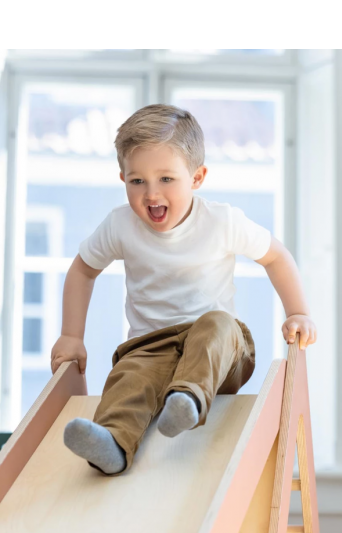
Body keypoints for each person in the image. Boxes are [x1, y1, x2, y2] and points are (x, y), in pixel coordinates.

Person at [50, 104, 317, 475]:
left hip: (219, 353)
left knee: (217, 323)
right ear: (122, 178)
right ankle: (112, 444)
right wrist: (71, 335)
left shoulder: (221, 221)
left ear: (197, 177)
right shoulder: (120, 225)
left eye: (166, 179)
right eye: (137, 181)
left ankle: (187, 400)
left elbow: (275, 257)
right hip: (150, 348)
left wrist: (298, 311)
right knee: (128, 377)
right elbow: (82, 270)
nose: (151, 193)